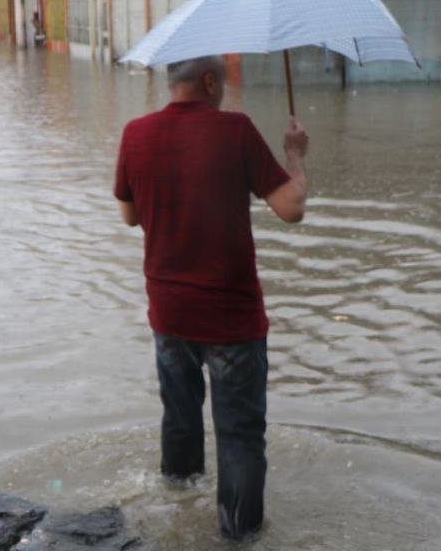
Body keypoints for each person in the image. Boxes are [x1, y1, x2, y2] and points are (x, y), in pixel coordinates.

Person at [113, 56, 309, 542]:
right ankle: (238, 537)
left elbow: (129, 215)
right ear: (208, 82)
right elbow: (291, 209)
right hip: (231, 321)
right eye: (221, 84)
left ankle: (177, 509)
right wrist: (295, 154)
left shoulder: (135, 133)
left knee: (180, 421)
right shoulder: (235, 130)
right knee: (239, 436)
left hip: (168, 314)